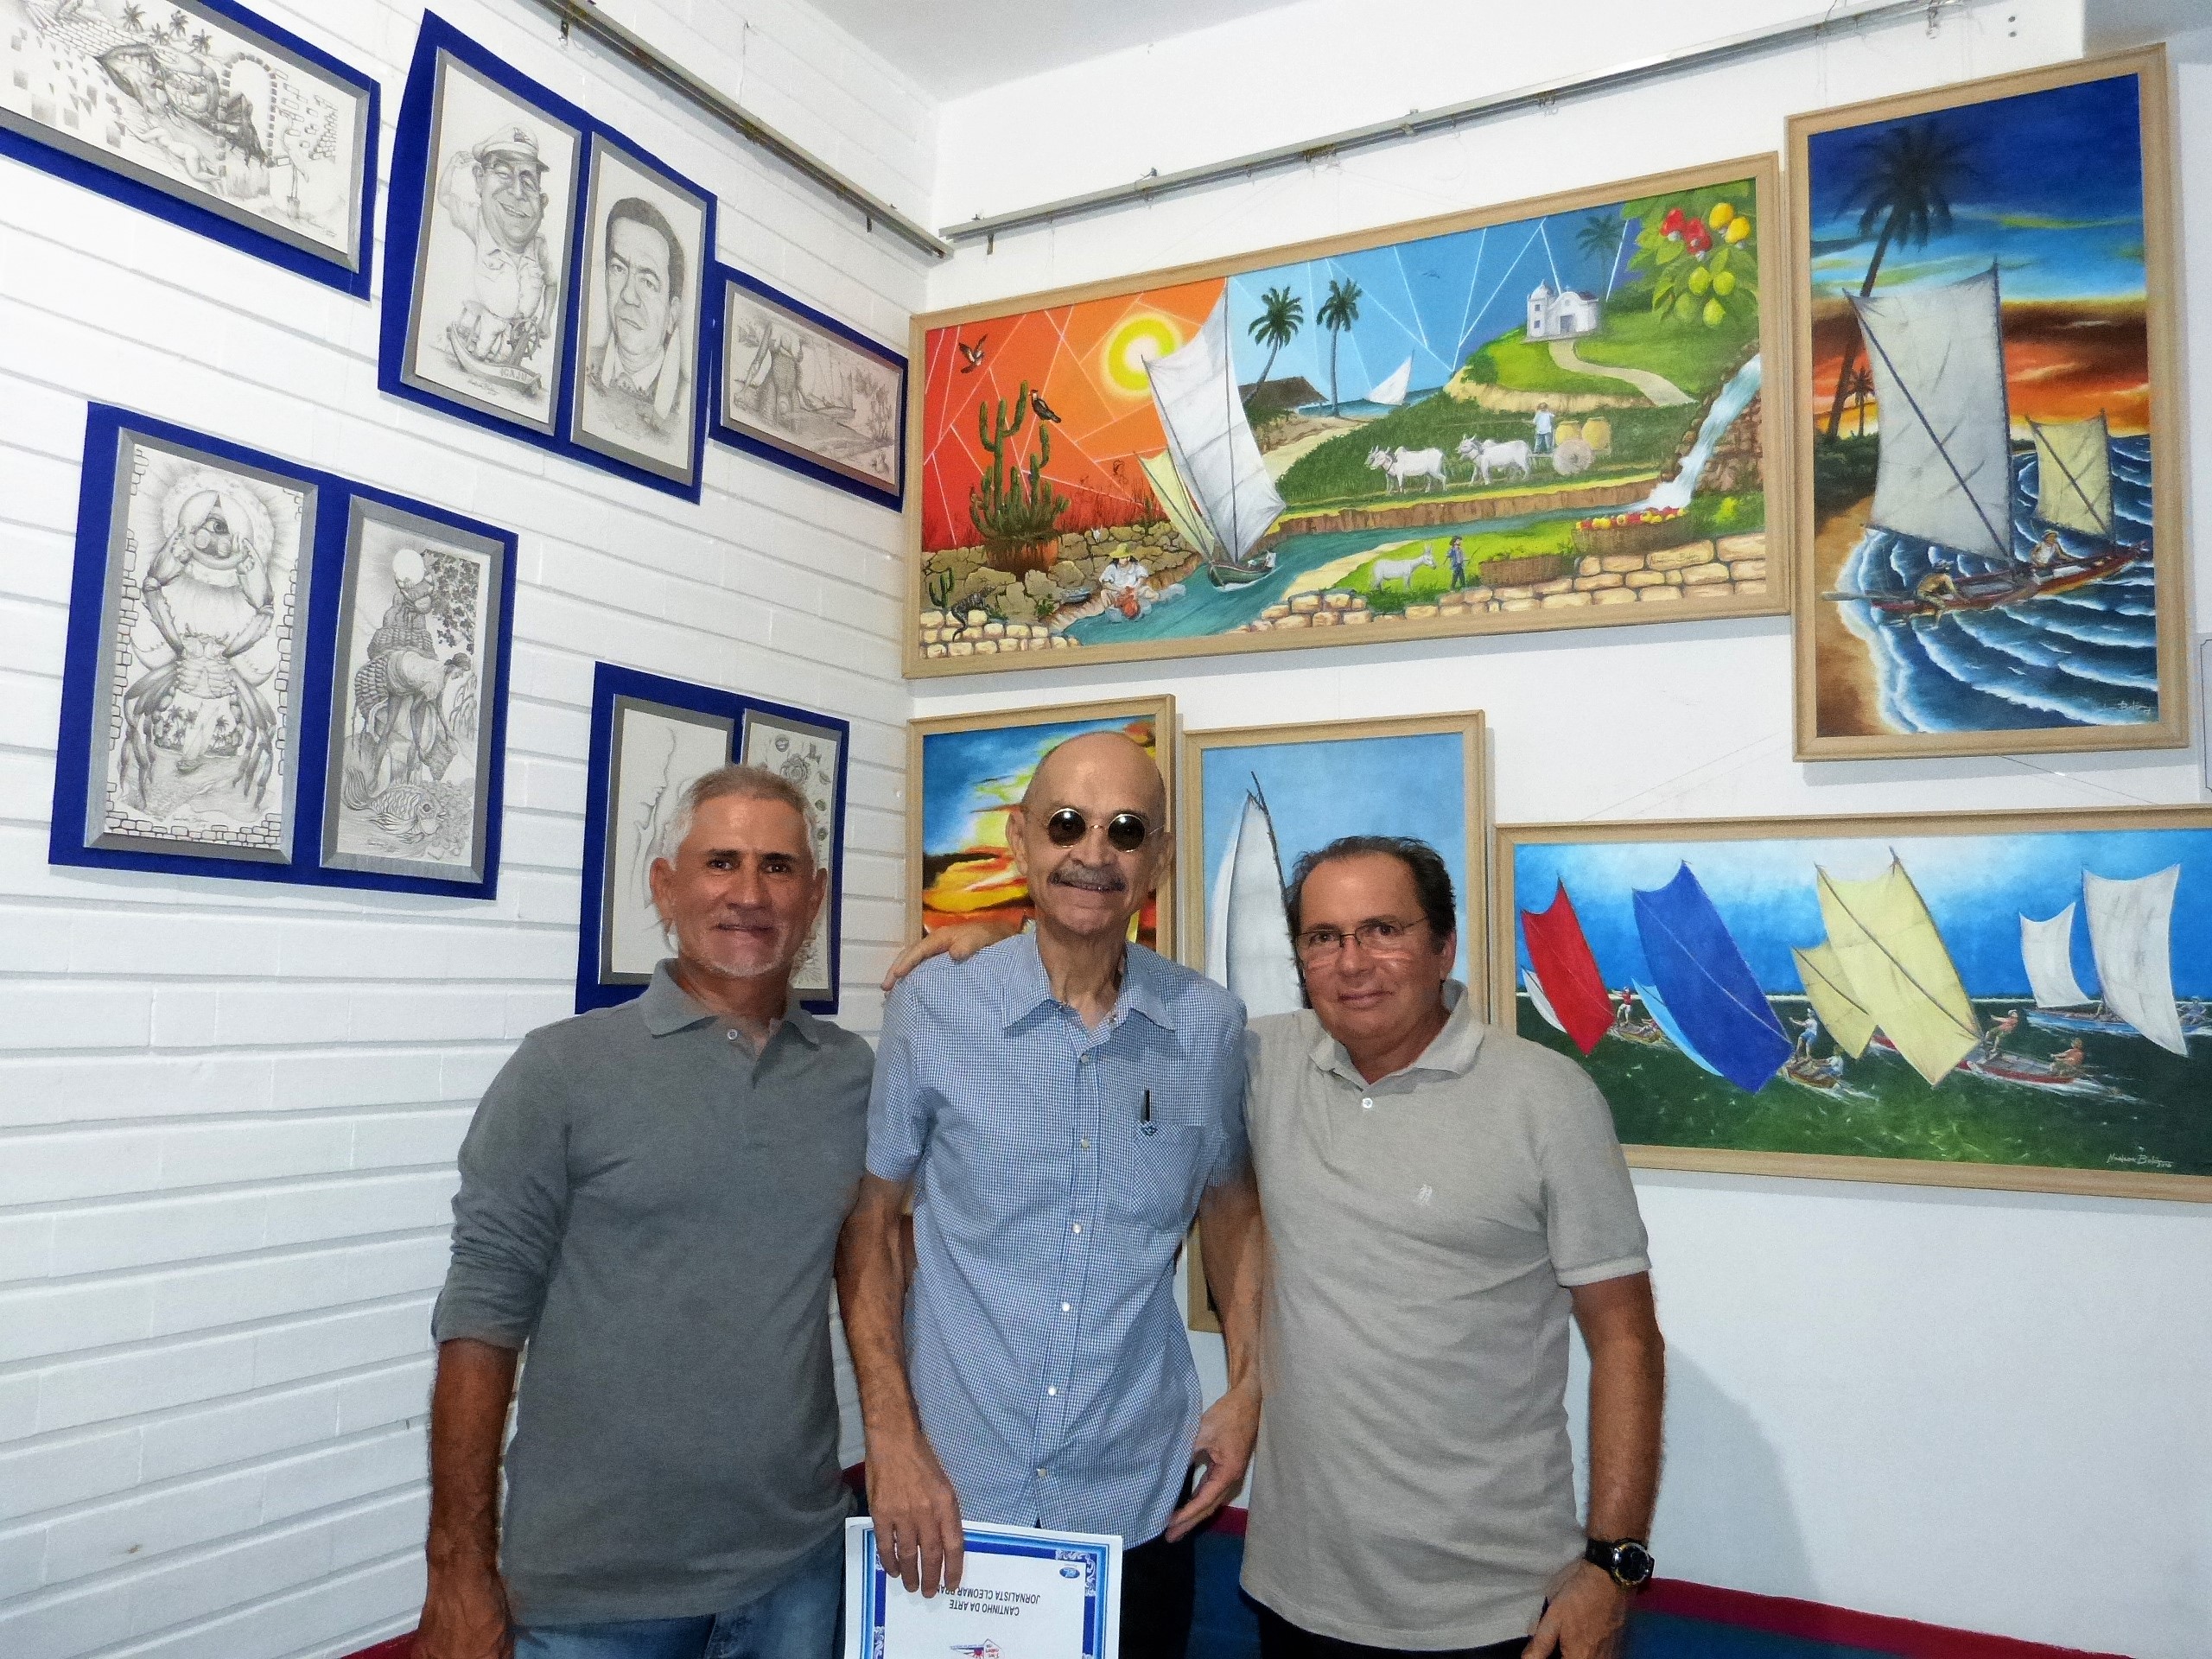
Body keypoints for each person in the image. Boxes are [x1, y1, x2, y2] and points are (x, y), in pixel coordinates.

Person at [418, 766, 871, 1659]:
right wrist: (458, 1569)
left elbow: (886, 1275)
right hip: (596, 1599)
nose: (750, 894)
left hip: (796, 1571)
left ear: (815, 898)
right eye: (721, 862)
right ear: (665, 887)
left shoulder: (852, 1075)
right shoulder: (561, 1071)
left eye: (778, 867)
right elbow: (480, 1320)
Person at [840, 731, 1262, 1659]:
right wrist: (890, 1438)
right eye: (1067, 823)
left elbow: (1232, 1209)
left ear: (1158, 861)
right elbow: (870, 1225)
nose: (1093, 852)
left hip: (1136, 1503)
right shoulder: (934, 1006)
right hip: (950, 1498)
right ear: (1022, 839)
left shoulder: (1208, 1027)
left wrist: (1248, 1385)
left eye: (1126, 830)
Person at [1243, 838, 1663, 1659]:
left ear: (1444, 946)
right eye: (1323, 937)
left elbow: (1626, 1338)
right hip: (1296, 1595)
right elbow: (1122, 1008)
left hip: (1497, 1610)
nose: (1352, 962)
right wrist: (990, 945)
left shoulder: (1546, 1097)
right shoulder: (1262, 1063)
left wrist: (1613, 1566)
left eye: (1383, 930)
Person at [437, 128, 558, 387]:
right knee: (482, 352)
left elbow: (551, 283)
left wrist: (546, 319)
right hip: (492, 321)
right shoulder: (477, 221)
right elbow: (444, 197)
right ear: (480, 180)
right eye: (503, 174)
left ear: (542, 203)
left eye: (529, 183)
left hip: (520, 330)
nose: (518, 192)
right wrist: (451, 166)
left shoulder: (539, 246)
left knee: (505, 359)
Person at [586, 197, 690, 440]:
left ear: (672, 313)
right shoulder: (581, 364)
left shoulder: (686, 403)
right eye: (618, 268)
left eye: (648, 282)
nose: (628, 295)